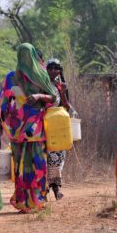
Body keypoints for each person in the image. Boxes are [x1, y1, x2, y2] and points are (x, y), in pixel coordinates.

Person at [0, 43, 57, 213]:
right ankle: (23, 201)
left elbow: (54, 97)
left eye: (27, 55)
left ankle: (38, 199)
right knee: (21, 165)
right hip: (17, 128)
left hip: (36, 126)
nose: (24, 59)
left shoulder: (41, 75)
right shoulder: (11, 77)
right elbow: (3, 103)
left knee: (38, 162)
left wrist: (38, 96)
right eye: (21, 54)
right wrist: (4, 120)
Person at [45, 58, 78, 200]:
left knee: (58, 158)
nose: (53, 71)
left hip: (58, 127)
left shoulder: (61, 86)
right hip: (46, 125)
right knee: (46, 158)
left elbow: (65, 106)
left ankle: (56, 188)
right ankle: (44, 190)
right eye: (50, 68)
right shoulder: (42, 84)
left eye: (55, 68)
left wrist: (63, 92)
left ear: (60, 70)